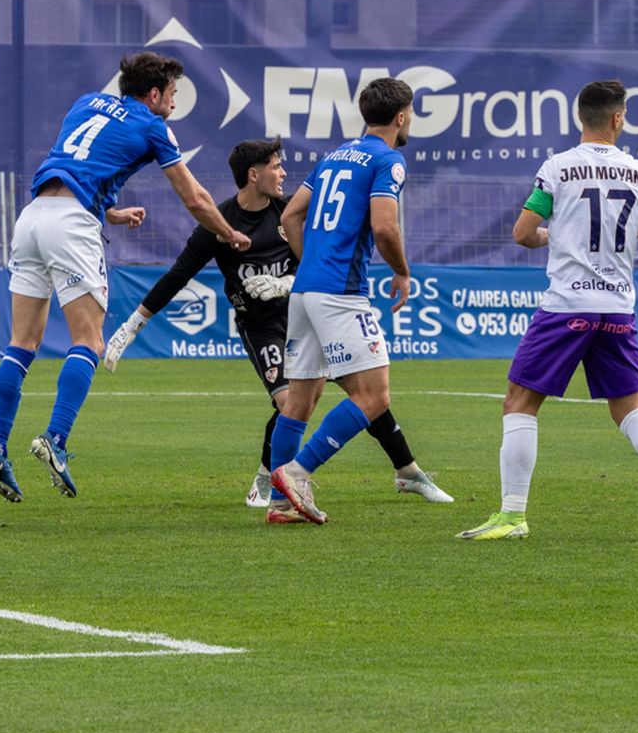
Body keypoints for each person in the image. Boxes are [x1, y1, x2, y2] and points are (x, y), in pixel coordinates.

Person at [101, 137, 450, 508]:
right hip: (261, 327)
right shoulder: (220, 224)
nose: (283, 172)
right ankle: (272, 478)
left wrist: (286, 282)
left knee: (362, 391)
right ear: (254, 175)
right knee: (293, 401)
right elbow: (178, 275)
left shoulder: (289, 213)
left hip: (305, 313)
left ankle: (407, 470)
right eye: (275, 166)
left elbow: (313, 259)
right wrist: (132, 326)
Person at [0, 51, 251, 502]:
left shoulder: (85, 102)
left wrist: (112, 211)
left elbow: (76, 168)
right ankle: (55, 439)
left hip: (33, 217)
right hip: (72, 226)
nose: (175, 104)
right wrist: (229, 233)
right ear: (155, 94)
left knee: (21, 344)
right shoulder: (153, 126)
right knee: (89, 341)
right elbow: (196, 198)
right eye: (174, 94)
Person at [458, 79, 638, 541]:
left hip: (566, 305)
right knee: (629, 410)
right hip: (618, 310)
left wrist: (553, 236)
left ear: (578, 117)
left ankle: (512, 516)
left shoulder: (559, 167)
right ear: (618, 119)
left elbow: (524, 232)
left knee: (520, 403)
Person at [266, 77, 422, 526]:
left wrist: (311, 260)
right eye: (410, 113)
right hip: (341, 292)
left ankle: (280, 506)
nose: (410, 120)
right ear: (400, 116)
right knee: (374, 396)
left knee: (299, 400)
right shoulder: (388, 160)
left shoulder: (334, 157)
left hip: (306, 289)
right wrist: (401, 271)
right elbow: (386, 228)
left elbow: (292, 215)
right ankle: (296, 473)